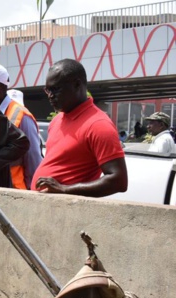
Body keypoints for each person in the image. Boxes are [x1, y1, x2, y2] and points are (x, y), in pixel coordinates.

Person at [32, 59, 127, 197]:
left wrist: (64, 189)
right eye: (48, 90)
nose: (50, 96)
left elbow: (119, 180)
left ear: (77, 85)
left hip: (68, 211)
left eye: (55, 89)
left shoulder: (98, 125)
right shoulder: (57, 119)